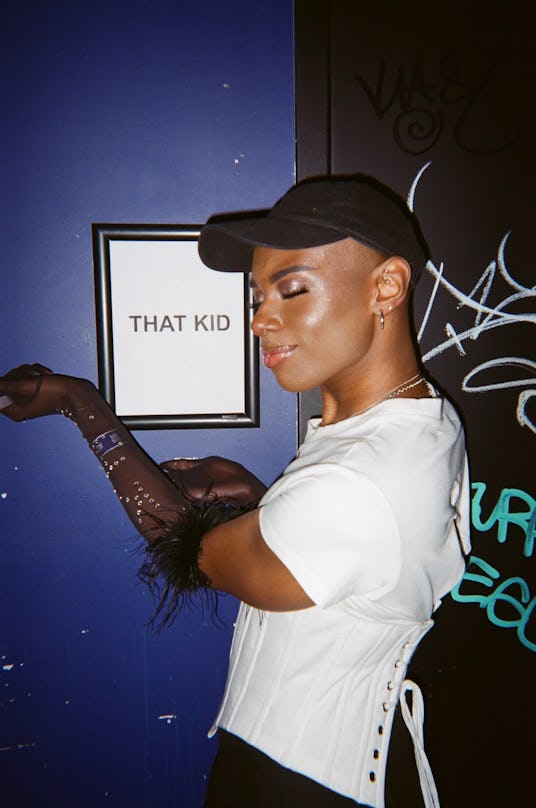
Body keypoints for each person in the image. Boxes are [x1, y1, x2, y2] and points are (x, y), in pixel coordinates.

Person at [0, 174, 470, 808]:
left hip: (297, 784)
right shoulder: (416, 421)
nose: (260, 320)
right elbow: (360, 554)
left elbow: (187, 548)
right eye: (258, 295)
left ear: (385, 286)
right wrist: (262, 499)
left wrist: (80, 403)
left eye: (292, 290)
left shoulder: (359, 480)